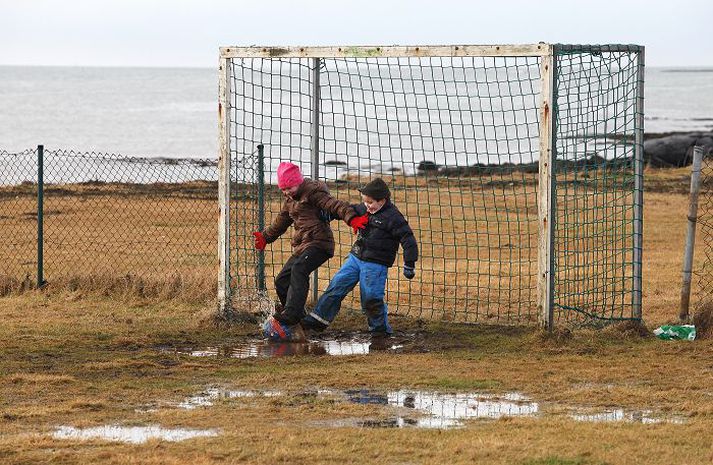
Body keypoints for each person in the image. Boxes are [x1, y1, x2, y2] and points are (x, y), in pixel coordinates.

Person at [254, 162, 368, 341]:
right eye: (283, 189)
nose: (286, 192)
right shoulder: (290, 200)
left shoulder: (313, 192)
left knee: (299, 269)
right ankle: (297, 319)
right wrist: (265, 237)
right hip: (303, 245)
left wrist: (352, 219)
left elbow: (335, 205)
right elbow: (281, 221)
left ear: (298, 182)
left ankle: (290, 314)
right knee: (282, 280)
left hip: (319, 243)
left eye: (289, 187)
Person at [301, 178, 418, 336]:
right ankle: (317, 320)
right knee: (336, 285)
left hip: (376, 263)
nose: (367, 206)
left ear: (382, 200)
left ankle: (379, 329)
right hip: (355, 258)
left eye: (370, 202)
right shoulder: (364, 208)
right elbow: (349, 210)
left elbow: (408, 239)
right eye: (365, 202)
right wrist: (329, 215)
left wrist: (409, 264)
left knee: (370, 296)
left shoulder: (393, 217)